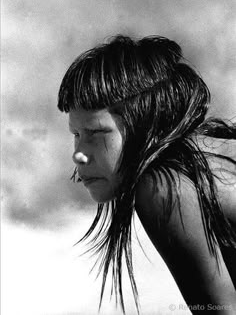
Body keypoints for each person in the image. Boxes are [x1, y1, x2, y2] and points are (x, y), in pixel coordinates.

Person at [58, 35, 236, 314]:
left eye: (95, 134)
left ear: (144, 124)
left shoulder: (165, 186)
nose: (78, 154)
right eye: (76, 135)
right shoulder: (211, 155)